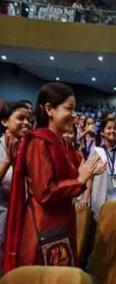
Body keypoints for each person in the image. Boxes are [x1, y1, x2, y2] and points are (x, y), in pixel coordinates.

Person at [2, 83, 105, 273]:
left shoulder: (61, 143)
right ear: (49, 109)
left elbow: (77, 174)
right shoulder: (39, 142)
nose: (73, 114)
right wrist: (80, 181)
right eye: (69, 108)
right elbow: (45, 191)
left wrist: (85, 174)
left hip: (61, 222)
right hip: (43, 227)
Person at [0, 102, 31, 272]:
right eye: (20, 118)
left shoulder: (28, 148)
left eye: (28, 119)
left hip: (22, 215)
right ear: (5, 121)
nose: (26, 122)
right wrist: (7, 161)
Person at [90, 116, 116, 221]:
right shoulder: (96, 152)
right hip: (99, 197)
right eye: (109, 128)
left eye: (115, 128)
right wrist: (86, 198)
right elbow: (90, 177)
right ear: (102, 132)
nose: (112, 131)